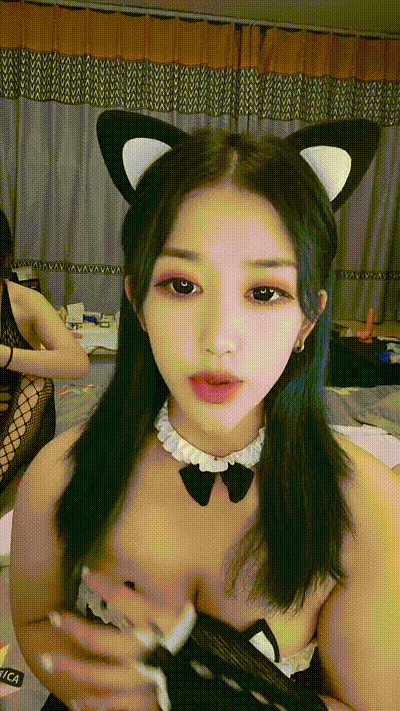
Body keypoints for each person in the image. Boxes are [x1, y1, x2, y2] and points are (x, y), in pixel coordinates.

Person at [9, 115, 398, 711]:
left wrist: (220, 695)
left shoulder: (368, 504)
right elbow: (38, 625)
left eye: (264, 292)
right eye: (182, 285)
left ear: (309, 319)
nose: (218, 339)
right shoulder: (60, 473)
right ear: (138, 302)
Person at [0, 209, 90, 493]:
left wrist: (5, 356)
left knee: (37, 383)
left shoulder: (25, 302)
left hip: (21, 416)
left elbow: (78, 363)